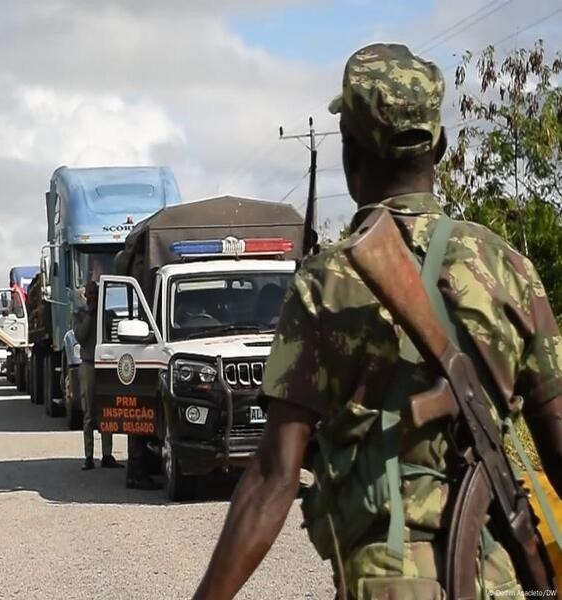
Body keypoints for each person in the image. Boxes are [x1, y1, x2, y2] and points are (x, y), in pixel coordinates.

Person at [194, 43, 562, 599]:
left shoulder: (325, 285)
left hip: (386, 584)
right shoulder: (511, 270)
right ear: (439, 145)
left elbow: (274, 476)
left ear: (348, 154)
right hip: (500, 582)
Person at [73, 281, 123, 471]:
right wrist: (91, 315)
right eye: (91, 293)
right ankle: (88, 456)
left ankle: (107, 454)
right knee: (89, 413)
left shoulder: (108, 315)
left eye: (96, 293)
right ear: (86, 295)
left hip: (106, 365)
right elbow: (80, 336)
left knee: (107, 412)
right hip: (88, 364)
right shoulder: (79, 315)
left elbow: (114, 335)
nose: (93, 296)